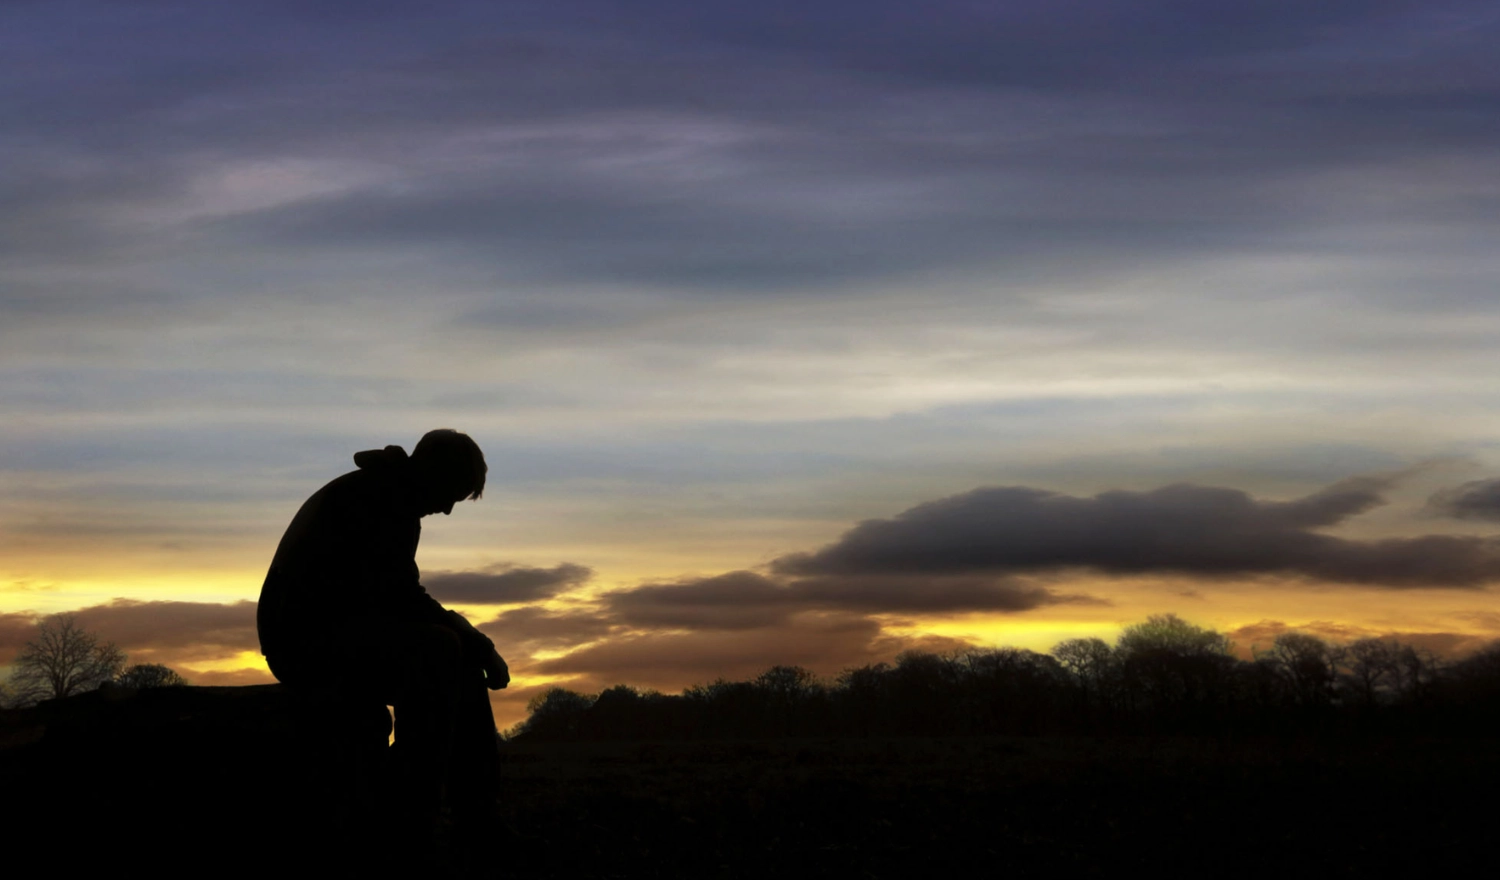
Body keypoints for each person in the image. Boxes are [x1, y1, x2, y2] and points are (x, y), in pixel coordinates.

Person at [257, 428, 508, 850]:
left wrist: (467, 638)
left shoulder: (386, 495)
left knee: (454, 657)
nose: (447, 510)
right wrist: (472, 637)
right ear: (430, 470)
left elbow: (395, 595)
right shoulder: (376, 500)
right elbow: (398, 596)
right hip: (304, 644)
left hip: (329, 634)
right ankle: (410, 825)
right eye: (452, 493)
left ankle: (475, 821)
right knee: (441, 652)